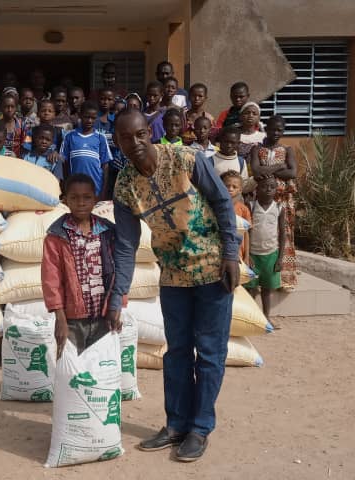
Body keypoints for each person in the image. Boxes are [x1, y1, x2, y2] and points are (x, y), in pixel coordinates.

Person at [110, 109, 240, 462]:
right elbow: (125, 245)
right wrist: (119, 293)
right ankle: (176, 424)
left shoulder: (186, 158)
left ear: (149, 132)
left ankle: (200, 428)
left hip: (213, 269)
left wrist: (231, 253)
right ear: (117, 141)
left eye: (140, 134)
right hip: (173, 275)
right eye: (126, 138)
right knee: (177, 352)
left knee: (210, 353)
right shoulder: (124, 185)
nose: (135, 143)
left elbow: (222, 201)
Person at [41, 174, 120, 360]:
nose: (81, 203)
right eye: (74, 198)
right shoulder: (57, 236)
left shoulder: (107, 232)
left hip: (103, 316)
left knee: (100, 368)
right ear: (65, 200)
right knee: (72, 370)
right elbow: (51, 279)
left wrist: (116, 306)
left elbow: (118, 270)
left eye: (87, 197)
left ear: (95, 199)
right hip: (72, 320)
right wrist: (60, 319)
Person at [251, 115, 298, 291]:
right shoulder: (257, 149)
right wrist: (279, 167)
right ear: (266, 129)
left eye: (280, 130)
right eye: (272, 129)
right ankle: (261, 276)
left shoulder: (287, 150)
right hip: (262, 200)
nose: (276, 133)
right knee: (262, 233)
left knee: (283, 233)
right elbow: (256, 170)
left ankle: (283, 278)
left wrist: (268, 171)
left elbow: (292, 173)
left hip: (282, 200)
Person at [245, 176, 285, 324]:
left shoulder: (279, 208)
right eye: (264, 186)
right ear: (257, 189)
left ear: (276, 190)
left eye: (272, 187)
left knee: (267, 289)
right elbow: (246, 231)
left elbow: (282, 234)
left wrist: (280, 258)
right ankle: (250, 319)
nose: (268, 190)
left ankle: (266, 317)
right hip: (253, 255)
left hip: (271, 254)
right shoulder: (251, 206)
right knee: (251, 289)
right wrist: (247, 255)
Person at [60, 102, 112, 198]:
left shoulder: (101, 137)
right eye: (86, 117)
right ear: (80, 115)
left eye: (93, 118)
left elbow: (105, 166)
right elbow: (64, 164)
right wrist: (66, 187)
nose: (89, 120)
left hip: (96, 188)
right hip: (75, 187)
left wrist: (103, 191)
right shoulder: (69, 136)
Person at [222, 171, 251, 264]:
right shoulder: (217, 207)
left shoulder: (244, 210)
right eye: (227, 186)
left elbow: (246, 233)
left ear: (240, 190)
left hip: (239, 255)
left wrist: (247, 256)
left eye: (234, 187)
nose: (230, 189)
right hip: (219, 253)